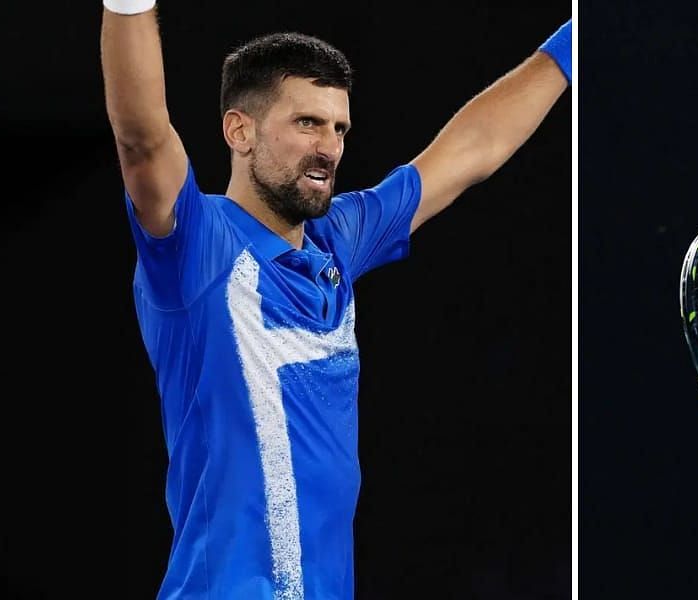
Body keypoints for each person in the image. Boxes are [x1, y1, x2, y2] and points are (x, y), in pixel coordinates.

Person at [99, 0, 570, 597]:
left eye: (338, 127)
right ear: (238, 130)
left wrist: (576, 40)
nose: (329, 147)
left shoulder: (339, 241)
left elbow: (470, 151)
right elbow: (141, 138)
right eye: (306, 124)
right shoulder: (196, 248)